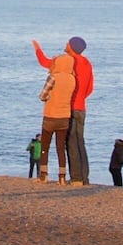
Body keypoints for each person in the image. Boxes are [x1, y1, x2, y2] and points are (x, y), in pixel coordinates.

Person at [32, 37, 93, 185]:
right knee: (80, 142)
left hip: (68, 107)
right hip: (81, 107)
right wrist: (81, 98)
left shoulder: (68, 62)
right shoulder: (87, 63)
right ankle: (84, 177)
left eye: (67, 43)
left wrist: (37, 49)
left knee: (70, 143)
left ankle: (76, 178)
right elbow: (90, 88)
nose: (65, 44)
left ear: (71, 47)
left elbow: (45, 63)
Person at [36, 54, 76, 185]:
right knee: (60, 148)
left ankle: (43, 175)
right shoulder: (72, 79)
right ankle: (62, 177)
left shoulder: (53, 77)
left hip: (50, 115)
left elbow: (42, 96)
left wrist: (49, 98)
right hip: (64, 116)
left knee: (45, 147)